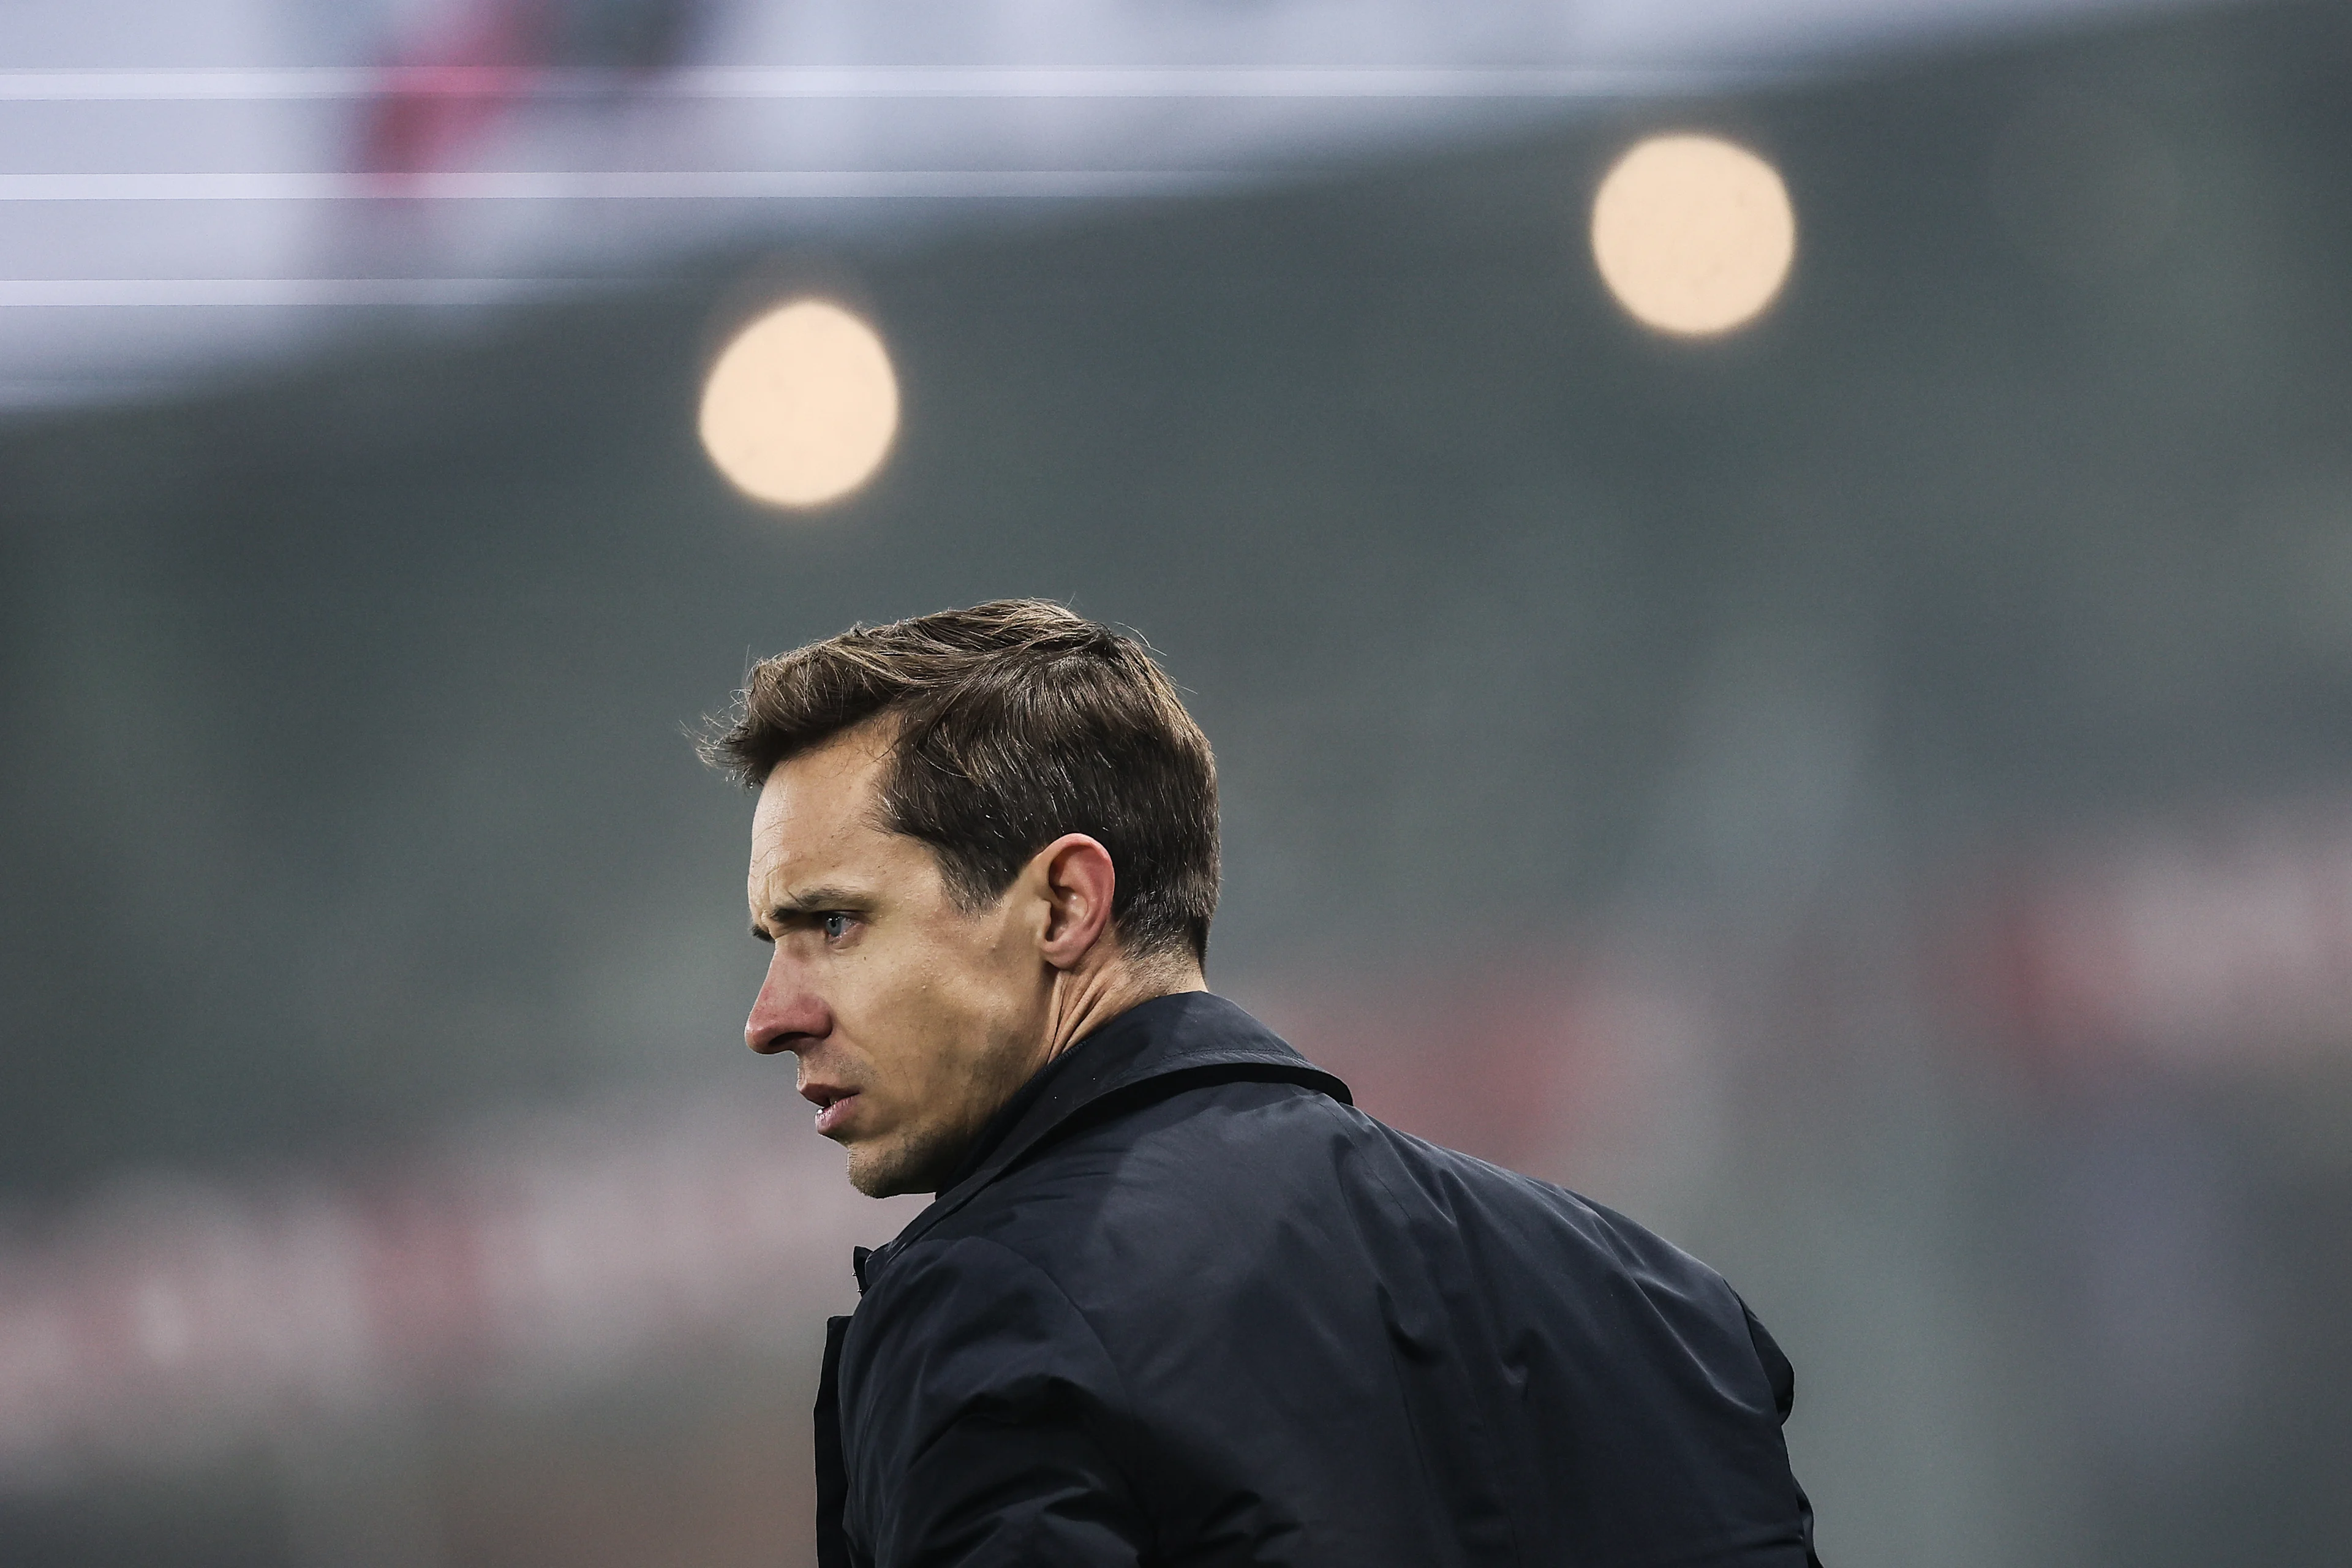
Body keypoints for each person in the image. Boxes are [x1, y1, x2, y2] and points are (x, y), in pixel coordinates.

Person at [706, 599, 1823, 1568]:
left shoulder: (991, 1303)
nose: (770, 1019)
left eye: (833, 924)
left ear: (1062, 906)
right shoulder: (1663, 1306)